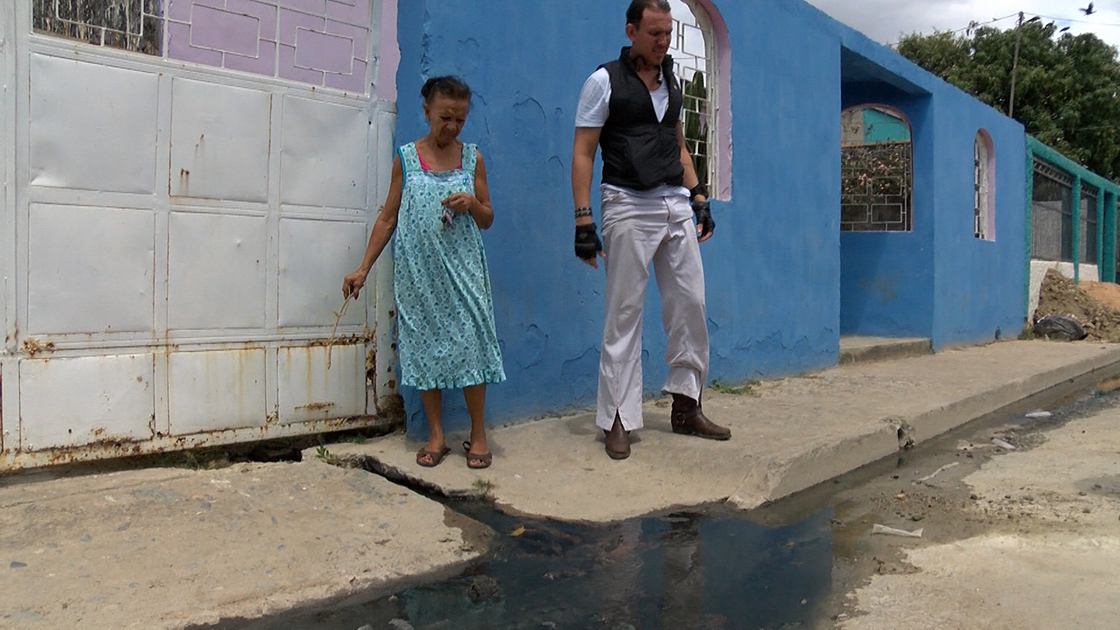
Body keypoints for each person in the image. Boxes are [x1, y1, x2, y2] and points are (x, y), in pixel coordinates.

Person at [571, 0, 730, 460]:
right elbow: (583, 152)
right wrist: (583, 220)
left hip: (673, 200)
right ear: (631, 31)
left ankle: (686, 404)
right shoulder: (603, 82)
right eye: (655, 34)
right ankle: (617, 418)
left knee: (690, 302)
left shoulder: (671, 78)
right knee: (624, 313)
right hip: (626, 200)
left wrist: (698, 195)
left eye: (667, 34)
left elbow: (676, 140)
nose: (663, 42)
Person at [343, 76, 505, 470]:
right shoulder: (407, 158)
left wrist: (472, 203)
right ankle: (436, 434)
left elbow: (488, 218)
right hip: (418, 273)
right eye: (445, 117)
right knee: (424, 349)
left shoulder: (473, 159)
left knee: (471, 344)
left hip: (463, 270)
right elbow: (388, 217)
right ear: (427, 111)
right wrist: (363, 268)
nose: (451, 127)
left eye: (460, 120)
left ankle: (478, 433)